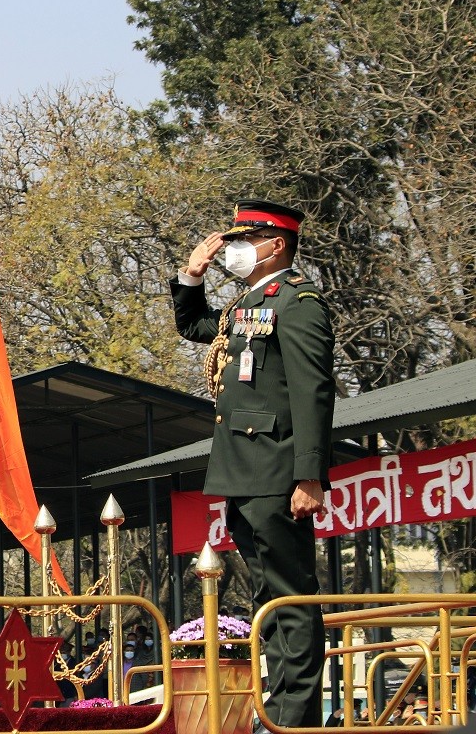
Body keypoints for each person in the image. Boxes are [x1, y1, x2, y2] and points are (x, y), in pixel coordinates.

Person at [172, 200, 334, 729]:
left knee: (291, 596)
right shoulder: (248, 302)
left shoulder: (298, 301)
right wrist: (191, 275)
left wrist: (309, 474)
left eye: (248, 239)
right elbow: (197, 326)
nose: (236, 250)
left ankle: (295, 717)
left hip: (278, 469)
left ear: (277, 245)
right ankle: (282, 711)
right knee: (267, 598)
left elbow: (313, 393)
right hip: (242, 468)